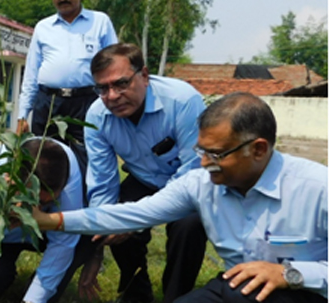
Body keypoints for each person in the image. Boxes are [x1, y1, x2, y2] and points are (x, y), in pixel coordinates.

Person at [32, 92, 328, 303]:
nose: (202, 163)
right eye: (201, 151)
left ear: (259, 150)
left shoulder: (317, 188)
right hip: (235, 288)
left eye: (216, 154)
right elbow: (130, 214)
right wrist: (49, 220)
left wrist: (290, 274)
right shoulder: (201, 184)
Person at [82, 43, 207, 303]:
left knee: (189, 226)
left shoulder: (183, 101)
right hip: (143, 178)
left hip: (187, 183)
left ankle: (177, 295)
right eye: (102, 88)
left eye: (121, 84)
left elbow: (193, 172)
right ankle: (136, 291)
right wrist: (106, 223)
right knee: (116, 218)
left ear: (145, 76)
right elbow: (102, 181)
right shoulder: (96, 116)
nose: (112, 96)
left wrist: (138, 217)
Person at [0, 138, 83, 303]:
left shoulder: (67, 175)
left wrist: (33, 300)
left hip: (42, 235)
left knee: (81, 238)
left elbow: (63, 243)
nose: (36, 213)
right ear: (9, 178)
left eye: (46, 204)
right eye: (30, 202)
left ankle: (37, 286)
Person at [16, 0, 117, 175]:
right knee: (43, 161)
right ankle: (44, 202)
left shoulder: (100, 22)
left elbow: (114, 66)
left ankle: (86, 202)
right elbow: (31, 73)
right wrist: (23, 114)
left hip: (87, 103)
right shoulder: (43, 27)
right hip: (48, 103)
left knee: (89, 162)